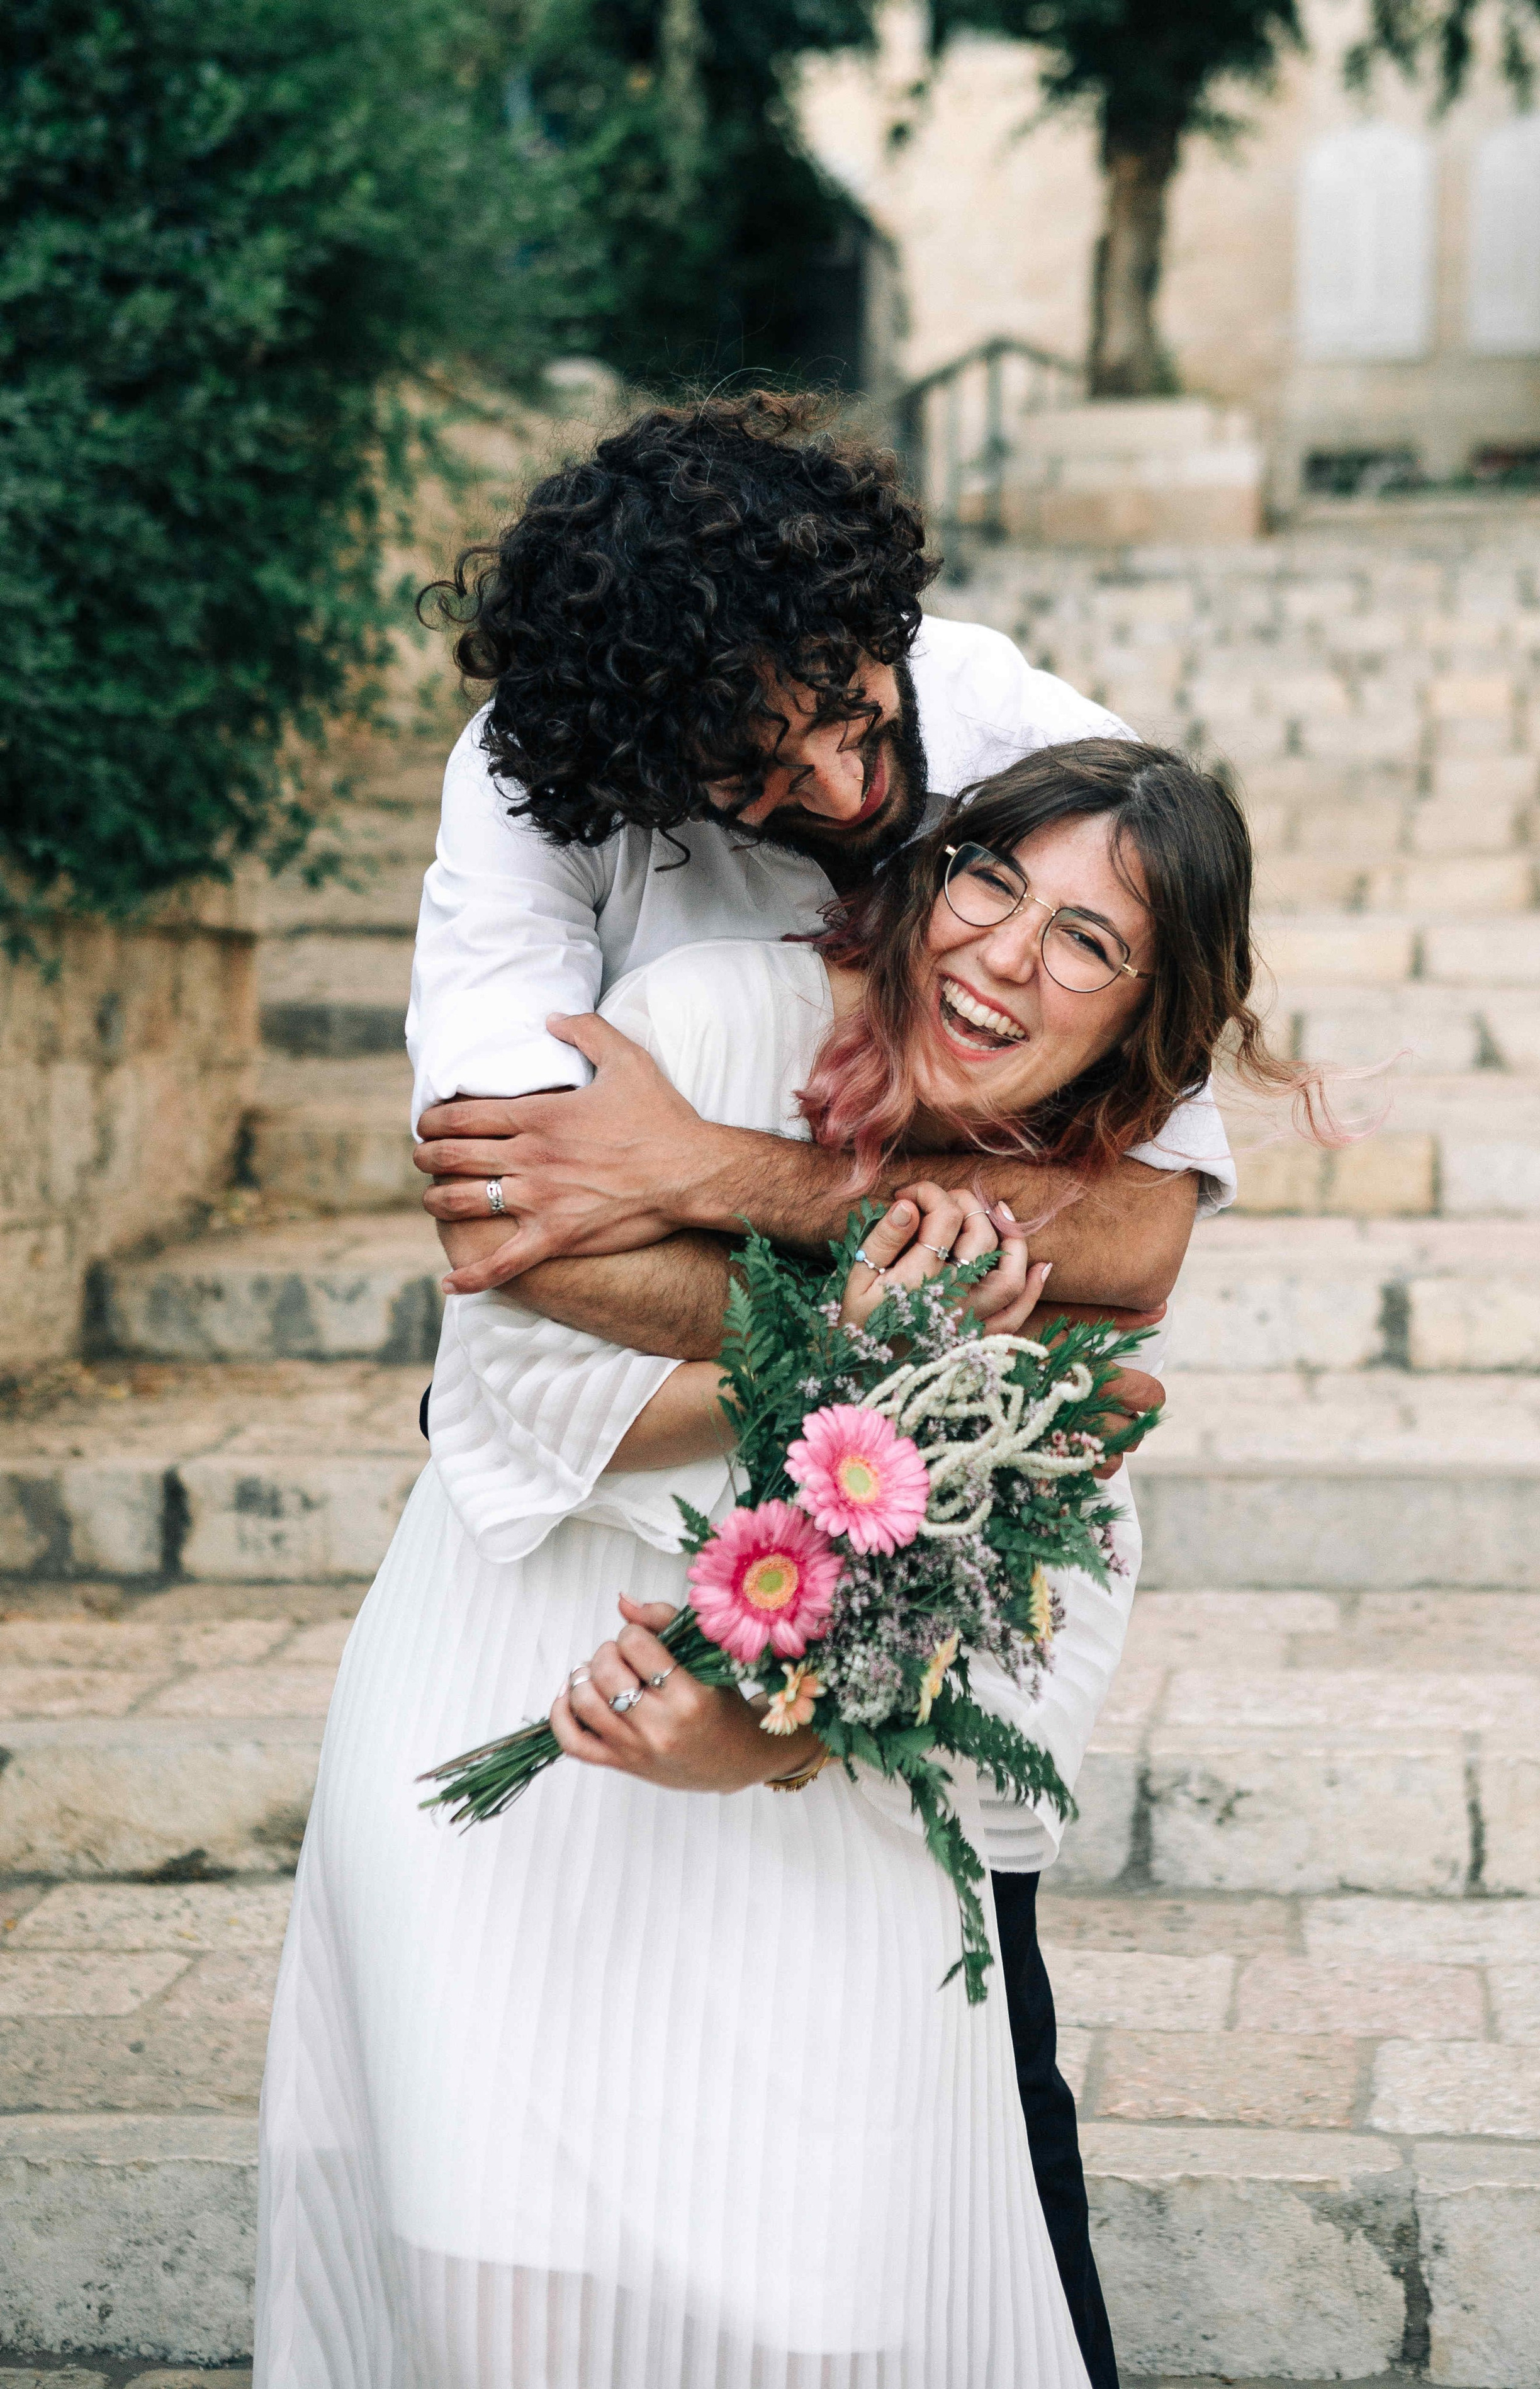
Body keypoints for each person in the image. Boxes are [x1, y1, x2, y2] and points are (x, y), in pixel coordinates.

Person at [257, 742, 1321, 2388]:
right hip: (510, 1704)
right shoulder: (691, 1030)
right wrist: (837, 1349)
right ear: (931, 870)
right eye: (994, 882)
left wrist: (761, 1736)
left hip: (821, 1822)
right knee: (497, 2294)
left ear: (1146, 1025)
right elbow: (501, 1384)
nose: (1009, 957)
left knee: (826, 2306)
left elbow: (1036, 1624)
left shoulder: (1080, 1243)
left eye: (1091, 943)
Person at [401, 393, 1221, 2381]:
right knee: (571, 2146)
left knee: (961, 2104)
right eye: (761, 762)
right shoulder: (535, 790)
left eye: (855, 712)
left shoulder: (1012, 730)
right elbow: (519, 1233)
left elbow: (1136, 1241)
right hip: (582, 1523)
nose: (850, 781)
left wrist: (719, 1177)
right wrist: (910, 1302)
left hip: (912, 1523)